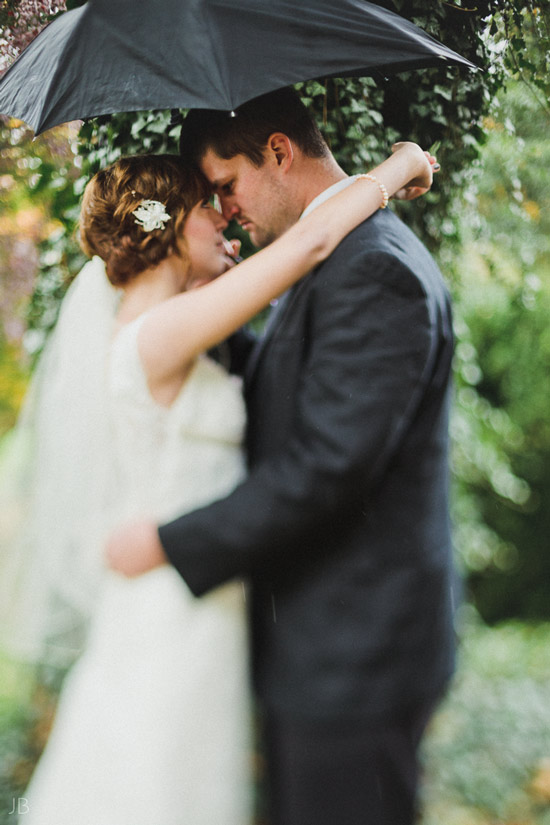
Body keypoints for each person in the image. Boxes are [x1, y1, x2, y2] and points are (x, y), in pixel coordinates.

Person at [1, 143, 434, 825]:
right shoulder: (159, 334)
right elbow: (316, 239)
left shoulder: (168, 328)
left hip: (203, 603)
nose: (223, 220)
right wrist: (402, 163)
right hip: (175, 609)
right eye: (207, 207)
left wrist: (198, 284)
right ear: (168, 225)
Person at [107, 88, 457, 825]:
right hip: (310, 649)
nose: (225, 208)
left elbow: (328, 467)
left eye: (226, 186)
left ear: (277, 152)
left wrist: (170, 543)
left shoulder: (372, 268)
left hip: (356, 657)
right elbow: (274, 380)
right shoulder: (325, 266)